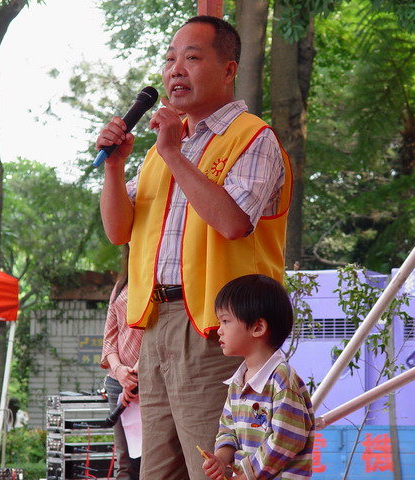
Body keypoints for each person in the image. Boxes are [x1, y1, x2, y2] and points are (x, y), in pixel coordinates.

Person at [96, 15, 292, 480]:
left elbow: (233, 222)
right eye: (169, 60)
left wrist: (173, 153)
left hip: (219, 328)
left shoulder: (252, 137)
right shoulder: (158, 152)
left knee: (215, 467)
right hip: (156, 325)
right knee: (157, 471)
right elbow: (118, 231)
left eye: (192, 58)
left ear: (229, 70)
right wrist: (114, 167)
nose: (175, 70)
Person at [201, 274, 314, 480]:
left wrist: (247, 475)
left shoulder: (282, 379)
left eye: (225, 321)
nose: (219, 330)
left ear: (258, 327)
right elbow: (228, 430)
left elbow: (287, 438)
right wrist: (221, 460)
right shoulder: (237, 382)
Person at [101, 244, 143, 480]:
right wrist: (119, 370)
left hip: (150, 379)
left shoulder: (161, 284)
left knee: (152, 459)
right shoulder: (120, 286)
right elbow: (109, 338)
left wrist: (139, 370)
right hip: (118, 382)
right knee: (125, 462)